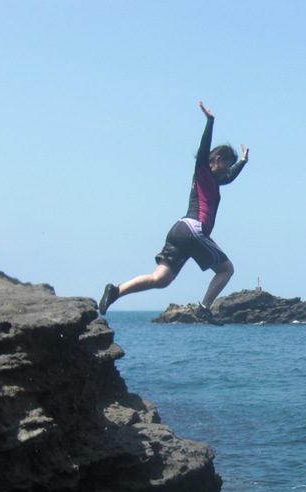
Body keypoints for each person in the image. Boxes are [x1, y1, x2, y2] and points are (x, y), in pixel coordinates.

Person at [98, 102, 249, 325]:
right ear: (217, 159)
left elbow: (230, 177)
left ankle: (116, 291)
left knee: (161, 279)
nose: (228, 169)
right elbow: (204, 149)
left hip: (179, 231)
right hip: (194, 230)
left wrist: (243, 162)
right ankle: (204, 308)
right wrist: (210, 121)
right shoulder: (203, 170)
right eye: (228, 164)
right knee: (226, 270)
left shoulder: (214, 180)